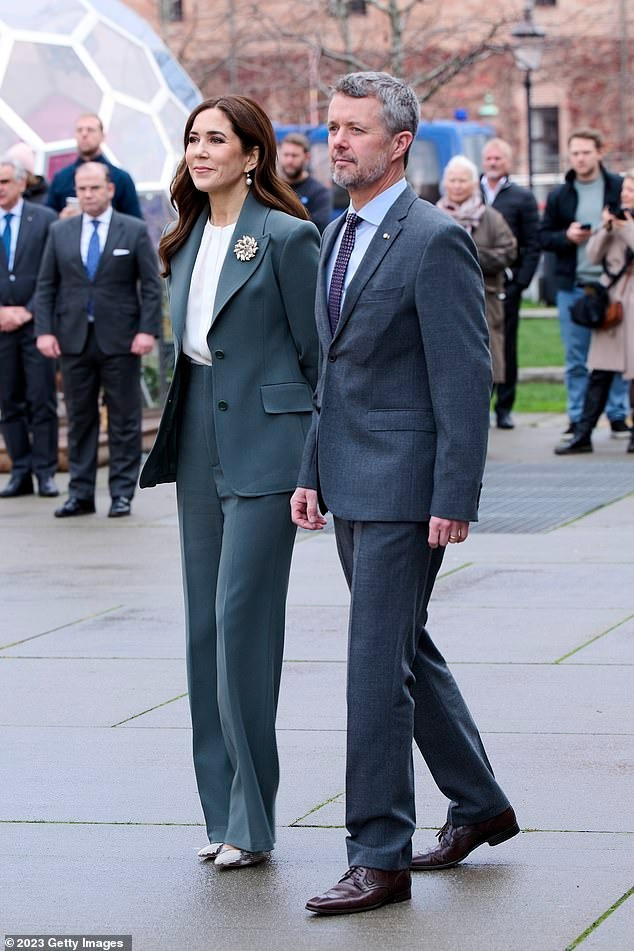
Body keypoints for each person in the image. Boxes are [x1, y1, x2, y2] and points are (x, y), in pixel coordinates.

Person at [291, 71, 517, 917]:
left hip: (407, 487)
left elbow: (464, 381)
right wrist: (312, 469)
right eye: (330, 128)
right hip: (349, 478)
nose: (334, 141)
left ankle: (376, 853)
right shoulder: (333, 231)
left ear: (397, 145)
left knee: (372, 669)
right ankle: (481, 802)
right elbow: (334, 373)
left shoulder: (433, 240)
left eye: (352, 129)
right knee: (403, 650)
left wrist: (455, 494)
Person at [139, 96, 319, 869]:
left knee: (243, 625)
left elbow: (320, 359)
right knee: (202, 632)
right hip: (202, 442)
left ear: (252, 155)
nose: (199, 149)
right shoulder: (179, 243)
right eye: (192, 138)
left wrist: (316, 465)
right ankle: (220, 812)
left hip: (270, 447)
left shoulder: (287, 236)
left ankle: (253, 819)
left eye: (216, 138)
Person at [34, 162, 161, 518]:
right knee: (79, 419)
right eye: (82, 189)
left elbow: (150, 285)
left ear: (109, 190)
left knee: (123, 420)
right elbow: (46, 285)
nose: (87, 195)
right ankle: (81, 493)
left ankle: (121, 493)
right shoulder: (60, 231)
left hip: (121, 340)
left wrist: (147, 330)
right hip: (72, 339)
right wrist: (44, 330)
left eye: (94, 188)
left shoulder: (133, 230)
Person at [539, 128, 630, 437]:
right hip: (574, 286)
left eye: (586, 152)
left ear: (599, 153)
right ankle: (578, 417)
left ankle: (617, 415)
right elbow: (542, 236)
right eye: (575, 153)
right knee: (576, 358)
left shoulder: (618, 187)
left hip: (616, 288)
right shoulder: (560, 194)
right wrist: (567, 236)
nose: (580, 158)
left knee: (617, 356)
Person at [555, 171, 634, 455]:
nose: (625, 195)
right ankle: (583, 433)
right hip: (611, 305)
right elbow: (593, 256)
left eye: (631, 191)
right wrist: (607, 227)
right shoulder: (614, 222)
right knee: (600, 371)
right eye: (624, 189)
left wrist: (624, 228)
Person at [0, 155, 58, 498]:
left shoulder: (46, 220)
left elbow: (54, 274)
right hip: (1, 330)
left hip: (37, 326)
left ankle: (45, 472)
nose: (1, 189)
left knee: (42, 400)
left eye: (5, 181)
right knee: (9, 401)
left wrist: (28, 311)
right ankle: (19, 470)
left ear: (22, 183)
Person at [437, 155, 517, 386]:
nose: (457, 186)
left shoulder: (491, 217)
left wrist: (470, 255)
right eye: (452, 180)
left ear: (473, 184)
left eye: (463, 181)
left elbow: (509, 251)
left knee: (483, 366)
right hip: (444, 300)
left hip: (485, 300)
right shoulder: (433, 215)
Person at [481, 137, 541, 429]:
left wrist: (520, 283)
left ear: (507, 163)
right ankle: (481, 403)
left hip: (506, 286)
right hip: (475, 285)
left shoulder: (521, 198)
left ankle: (504, 407)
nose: (492, 164)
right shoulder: (472, 191)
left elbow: (532, 244)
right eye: (489, 159)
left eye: (498, 159)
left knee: (507, 347)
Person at [47, 114, 142, 220]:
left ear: (102, 136)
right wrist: (60, 221)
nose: (84, 134)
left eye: (90, 130)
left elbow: (135, 224)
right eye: (79, 130)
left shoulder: (121, 178)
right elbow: (47, 220)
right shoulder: (61, 178)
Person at [278, 132, 332, 232]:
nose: (289, 160)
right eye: (286, 155)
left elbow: (317, 228)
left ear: (307, 157)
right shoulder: (272, 188)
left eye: (294, 156)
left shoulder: (319, 192)